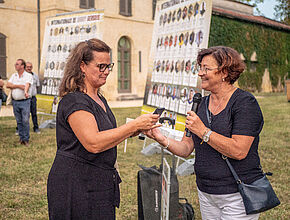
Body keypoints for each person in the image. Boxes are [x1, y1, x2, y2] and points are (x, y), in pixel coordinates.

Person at [145, 46, 264, 220]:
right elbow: (186, 148)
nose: (200, 73)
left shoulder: (245, 103)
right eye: (199, 67)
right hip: (206, 193)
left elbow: (239, 150)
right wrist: (161, 138)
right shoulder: (200, 104)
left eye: (206, 68)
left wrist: (203, 131)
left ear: (224, 72)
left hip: (237, 195)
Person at [47, 39, 160, 220]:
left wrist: (135, 130)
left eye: (109, 66)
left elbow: (105, 134)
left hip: (97, 182)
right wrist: (133, 125)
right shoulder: (75, 101)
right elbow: (93, 143)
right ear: (82, 66)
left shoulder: (99, 98)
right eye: (101, 66)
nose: (106, 71)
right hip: (75, 185)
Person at [7, 59, 33, 146]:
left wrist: (24, 91)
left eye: (17, 64)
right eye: (16, 64)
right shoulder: (14, 76)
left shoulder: (28, 76)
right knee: (19, 121)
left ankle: (26, 139)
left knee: (25, 120)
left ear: (22, 66)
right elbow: (7, 85)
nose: (15, 65)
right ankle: (21, 138)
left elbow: (27, 85)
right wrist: (18, 86)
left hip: (25, 101)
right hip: (15, 102)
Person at [26, 62, 41, 133]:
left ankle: (36, 128)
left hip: (33, 98)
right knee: (24, 114)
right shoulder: (23, 76)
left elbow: (37, 86)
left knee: (34, 113)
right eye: (27, 67)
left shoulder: (35, 76)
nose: (29, 68)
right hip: (25, 98)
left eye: (30, 67)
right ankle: (20, 129)